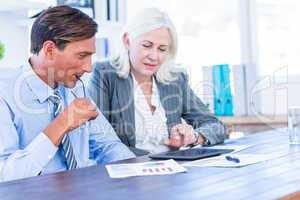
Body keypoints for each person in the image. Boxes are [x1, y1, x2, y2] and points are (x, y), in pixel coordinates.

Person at [0, 5, 135, 182]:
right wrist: (62, 124)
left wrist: (137, 173)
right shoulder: (5, 93)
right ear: (49, 50)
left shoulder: (75, 86)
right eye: (82, 56)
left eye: (91, 56)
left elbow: (107, 145)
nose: (88, 68)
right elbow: (6, 176)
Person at [88, 8, 228, 156]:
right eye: (147, 46)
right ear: (127, 41)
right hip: (127, 171)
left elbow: (216, 126)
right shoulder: (105, 74)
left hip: (172, 170)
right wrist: (153, 158)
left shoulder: (175, 79)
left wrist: (193, 137)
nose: (154, 56)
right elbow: (97, 138)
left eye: (162, 49)